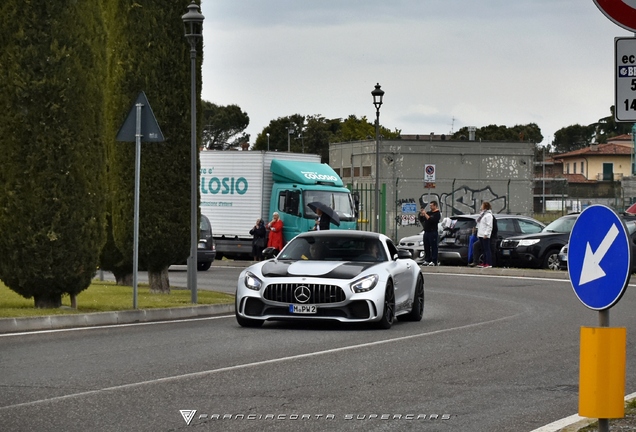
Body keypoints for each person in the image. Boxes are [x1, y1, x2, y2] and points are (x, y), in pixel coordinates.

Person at [418, 201, 441, 266]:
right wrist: (422, 214)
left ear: (435, 206)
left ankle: (434, 260)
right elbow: (423, 220)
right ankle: (427, 259)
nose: (430, 207)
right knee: (426, 246)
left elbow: (431, 220)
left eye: (431, 205)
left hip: (433, 232)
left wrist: (425, 214)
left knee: (433, 246)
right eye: (430, 205)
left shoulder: (437, 213)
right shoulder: (429, 213)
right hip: (426, 232)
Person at [476, 201, 494, 268]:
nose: (481, 207)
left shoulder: (488, 215)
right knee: (483, 249)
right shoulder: (483, 214)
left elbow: (489, 226)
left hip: (485, 235)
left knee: (487, 249)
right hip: (481, 234)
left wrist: (486, 234)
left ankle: (488, 263)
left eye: (482, 205)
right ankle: (484, 262)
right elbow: (480, 225)